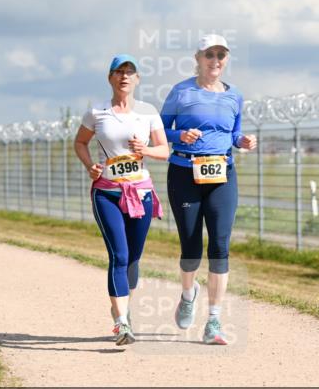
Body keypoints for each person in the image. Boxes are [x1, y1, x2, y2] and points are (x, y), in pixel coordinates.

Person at [160, 34, 257, 345]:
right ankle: (189, 294)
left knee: (219, 245)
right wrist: (178, 135)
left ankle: (213, 321)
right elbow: (159, 130)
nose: (215, 60)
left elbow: (235, 131)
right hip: (184, 173)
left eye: (221, 55)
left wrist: (243, 141)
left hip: (222, 173)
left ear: (226, 59)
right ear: (198, 58)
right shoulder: (181, 92)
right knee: (190, 246)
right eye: (209, 54)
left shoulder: (235, 96)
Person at [74, 54, 169, 346]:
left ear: (137, 79)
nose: (124, 77)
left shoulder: (149, 112)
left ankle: (122, 304)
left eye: (130, 72)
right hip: (107, 192)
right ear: (110, 78)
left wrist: (146, 150)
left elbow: (165, 151)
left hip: (140, 193)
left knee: (134, 258)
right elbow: (80, 142)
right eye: (118, 72)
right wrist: (89, 164)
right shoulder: (97, 112)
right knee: (120, 255)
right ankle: (122, 322)